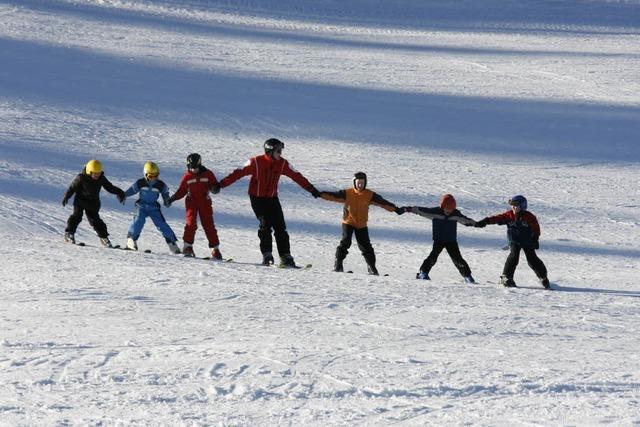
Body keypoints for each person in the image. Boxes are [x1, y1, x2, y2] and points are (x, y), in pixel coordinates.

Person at [219, 138, 320, 267]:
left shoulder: (282, 163)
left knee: (280, 226)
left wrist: (311, 189)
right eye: (278, 151)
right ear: (269, 151)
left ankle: (285, 256)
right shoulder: (255, 162)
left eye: (281, 151)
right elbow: (237, 173)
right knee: (265, 224)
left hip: (272, 198)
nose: (281, 154)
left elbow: (297, 176)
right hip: (257, 198)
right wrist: (221, 185)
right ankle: (267, 254)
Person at [319, 172, 403, 275]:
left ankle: (372, 268)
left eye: (362, 183)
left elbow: (383, 202)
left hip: (361, 225)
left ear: (365, 183)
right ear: (354, 183)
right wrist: (319, 194)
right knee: (345, 242)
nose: (360, 185)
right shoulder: (347, 193)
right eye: (358, 183)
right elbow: (333, 196)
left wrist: (395, 209)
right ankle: (338, 265)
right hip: (348, 222)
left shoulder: (369, 195)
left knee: (366, 247)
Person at [475, 195, 550, 289]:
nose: (513, 208)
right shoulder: (509, 215)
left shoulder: (529, 217)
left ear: (522, 206)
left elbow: (536, 229)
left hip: (527, 241)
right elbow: (497, 218)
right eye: (512, 206)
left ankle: (543, 277)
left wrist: (535, 239)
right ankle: (507, 277)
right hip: (514, 240)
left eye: (516, 206)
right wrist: (485, 221)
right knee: (514, 256)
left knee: (532, 259)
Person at [402, 194, 476, 283]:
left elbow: (465, 220)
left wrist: (477, 223)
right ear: (442, 206)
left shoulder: (455, 214)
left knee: (458, 259)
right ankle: (423, 272)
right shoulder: (436, 212)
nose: (449, 210)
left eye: (451, 208)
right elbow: (422, 211)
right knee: (433, 256)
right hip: (439, 240)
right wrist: (409, 209)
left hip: (451, 241)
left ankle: (467, 276)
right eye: (447, 208)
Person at [167, 153, 223, 259]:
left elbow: (214, 185)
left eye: (195, 168)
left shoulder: (208, 174)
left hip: (204, 202)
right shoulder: (187, 176)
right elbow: (181, 191)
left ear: (200, 165)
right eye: (191, 168)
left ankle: (215, 249)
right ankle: (187, 247)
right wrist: (172, 198)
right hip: (191, 203)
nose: (193, 170)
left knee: (208, 225)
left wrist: (215, 188)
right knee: (191, 223)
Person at [62, 159, 125, 247]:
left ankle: (104, 238)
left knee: (95, 221)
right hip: (80, 201)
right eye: (95, 173)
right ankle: (69, 233)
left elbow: (109, 187)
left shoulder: (101, 178)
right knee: (77, 216)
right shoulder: (81, 177)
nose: (97, 175)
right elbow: (72, 188)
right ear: (89, 172)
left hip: (93, 202)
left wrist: (120, 192)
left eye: (98, 173)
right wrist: (66, 196)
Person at [123, 162, 180, 254]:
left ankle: (172, 243)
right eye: (151, 176)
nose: (154, 179)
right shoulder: (140, 183)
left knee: (162, 224)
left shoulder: (160, 184)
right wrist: (124, 195)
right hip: (141, 206)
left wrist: (167, 200)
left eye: (156, 176)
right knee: (138, 220)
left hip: (153, 207)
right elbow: (132, 190)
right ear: (145, 175)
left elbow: (165, 193)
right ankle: (131, 240)